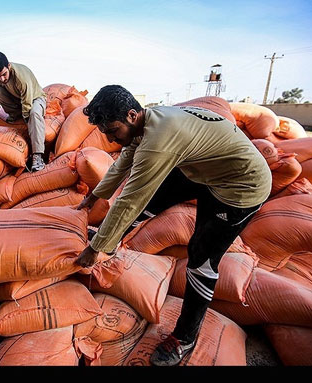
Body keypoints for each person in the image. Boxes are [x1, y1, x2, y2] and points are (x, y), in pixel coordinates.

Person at [76, 85, 271, 366]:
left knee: (201, 258)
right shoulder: (148, 120)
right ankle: (113, 239)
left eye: (112, 130)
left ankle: (184, 337)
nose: (110, 138)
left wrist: (95, 249)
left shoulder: (158, 141)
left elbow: (130, 199)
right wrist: (96, 194)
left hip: (240, 187)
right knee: (157, 193)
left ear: (131, 115)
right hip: (209, 170)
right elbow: (122, 165)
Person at [0, 51, 47, 171]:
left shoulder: (20, 76)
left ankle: (38, 156)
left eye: (4, 74)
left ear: (8, 66)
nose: (1, 79)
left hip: (35, 98)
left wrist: (29, 127)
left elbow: (27, 103)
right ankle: (14, 115)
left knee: (34, 113)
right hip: (17, 102)